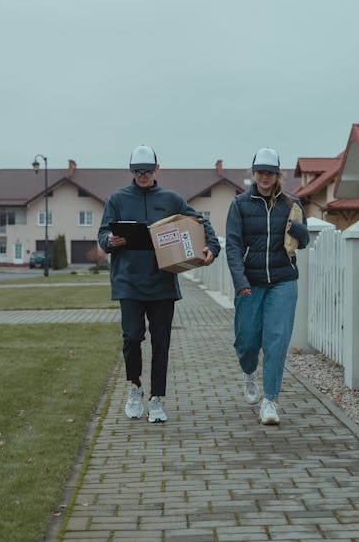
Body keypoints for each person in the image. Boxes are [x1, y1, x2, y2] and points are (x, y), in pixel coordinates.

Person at [98, 144, 220, 423]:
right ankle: (135, 387)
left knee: (161, 342)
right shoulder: (117, 199)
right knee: (131, 338)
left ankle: (156, 399)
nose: (143, 175)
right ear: (131, 171)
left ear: (157, 169)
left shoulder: (172, 199)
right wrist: (109, 241)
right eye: (137, 171)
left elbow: (200, 221)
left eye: (147, 170)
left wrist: (212, 247)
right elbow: (103, 232)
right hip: (128, 281)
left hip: (163, 281)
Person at [225, 147, 309, 425]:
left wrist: (294, 228)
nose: (265, 176)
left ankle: (270, 401)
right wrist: (240, 281)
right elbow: (234, 246)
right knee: (247, 340)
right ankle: (249, 373)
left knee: (276, 340)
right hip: (250, 283)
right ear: (254, 173)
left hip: (283, 282)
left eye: (270, 172)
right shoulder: (240, 204)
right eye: (260, 172)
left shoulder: (291, 203)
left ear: (277, 175)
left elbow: (305, 240)